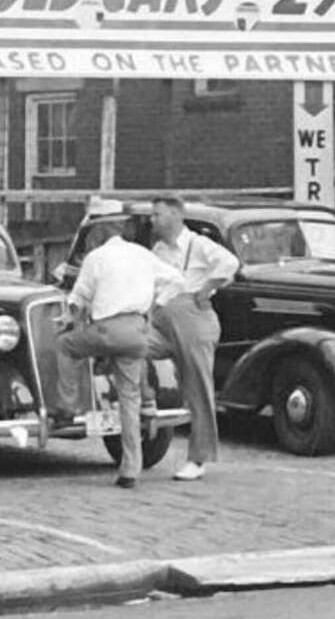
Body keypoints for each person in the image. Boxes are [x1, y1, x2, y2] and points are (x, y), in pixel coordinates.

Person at [55, 219, 183, 489]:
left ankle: (67, 407)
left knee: (66, 346)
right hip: (137, 331)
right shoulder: (142, 254)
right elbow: (177, 280)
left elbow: (78, 298)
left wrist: (68, 319)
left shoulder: (96, 258)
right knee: (129, 399)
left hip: (106, 330)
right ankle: (130, 470)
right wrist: (156, 304)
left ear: (99, 236)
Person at [149, 197, 239, 482]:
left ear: (176, 214)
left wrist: (206, 289)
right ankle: (145, 405)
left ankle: (198, 458)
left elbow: (230, 262)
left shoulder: (197, 244)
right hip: (161, 318)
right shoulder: (158, 250)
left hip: (193, 318)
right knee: (130, 347)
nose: (152, 220)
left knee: (197, 387)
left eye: (157, 214)